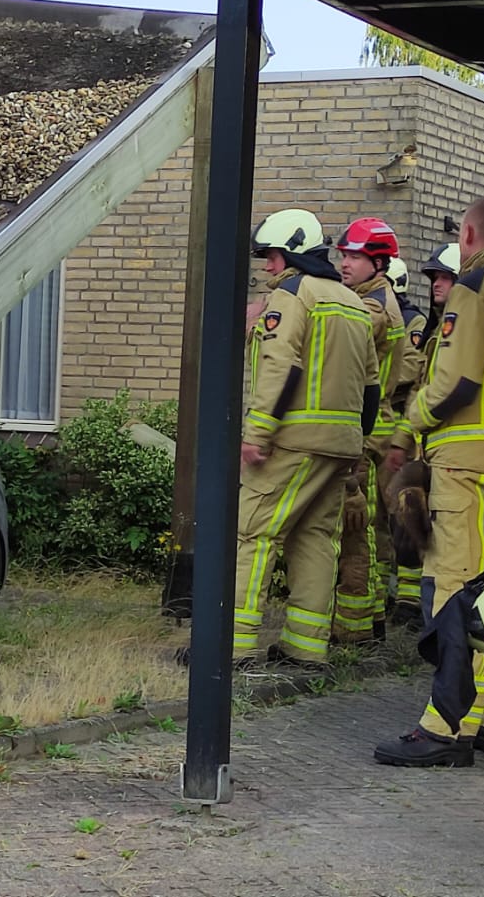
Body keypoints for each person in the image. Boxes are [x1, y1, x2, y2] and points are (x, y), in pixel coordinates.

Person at [373, 197, 484, 768]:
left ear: (468, 234)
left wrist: (407, 428)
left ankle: (443, 730)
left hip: (466, 463)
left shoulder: (474, 289)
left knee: (453, 590)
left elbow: (456, 380)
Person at [186, 208, 378, 669]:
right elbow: (371, 386)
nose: (268, 267)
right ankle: (305, 648)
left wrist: (258, 432)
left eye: (271, 256)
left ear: (292, 253)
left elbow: (281, 366)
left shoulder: (293, 295)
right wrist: (358, 441)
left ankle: (230, 646)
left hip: (293, 440)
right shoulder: (352, 302)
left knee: (252, 533)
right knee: (314, 538)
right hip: (342, 445)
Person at [330, 217, 422, 645]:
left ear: (379, 264)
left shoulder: (373, 309)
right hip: (372, 427)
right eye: (344, 254)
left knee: (357, 524)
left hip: (368, 430)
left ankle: (358, 623)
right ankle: (363, 616)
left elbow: (335, 341)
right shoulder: (368, 297)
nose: (344, 263)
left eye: (355, 257)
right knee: (365, 524)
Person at [383, 242, 460, 622]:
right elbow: (420, 388)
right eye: (434, 278)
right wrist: (405, 439)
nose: (436, 284)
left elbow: (440, 389)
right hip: (426, 445)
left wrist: (410, 428)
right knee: (406, 512)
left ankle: (427, 608)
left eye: (445, 277)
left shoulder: (460, 330)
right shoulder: (437, 331)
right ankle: (414, 604)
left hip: (454, 452)